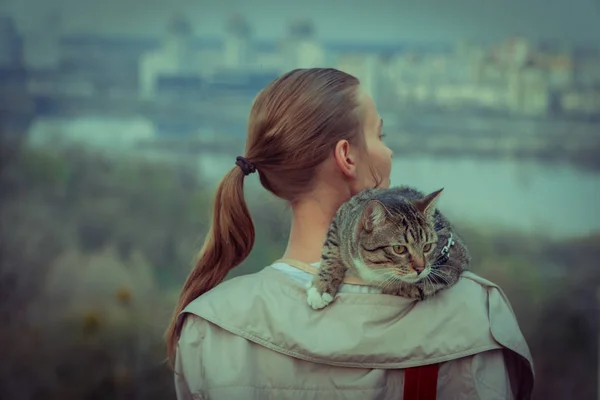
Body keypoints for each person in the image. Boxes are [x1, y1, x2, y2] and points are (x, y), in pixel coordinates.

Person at [165, 68, 534, 400]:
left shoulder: (210, 328)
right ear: (347, 157)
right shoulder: (476, 316)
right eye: (380, 134)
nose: (389, 151)